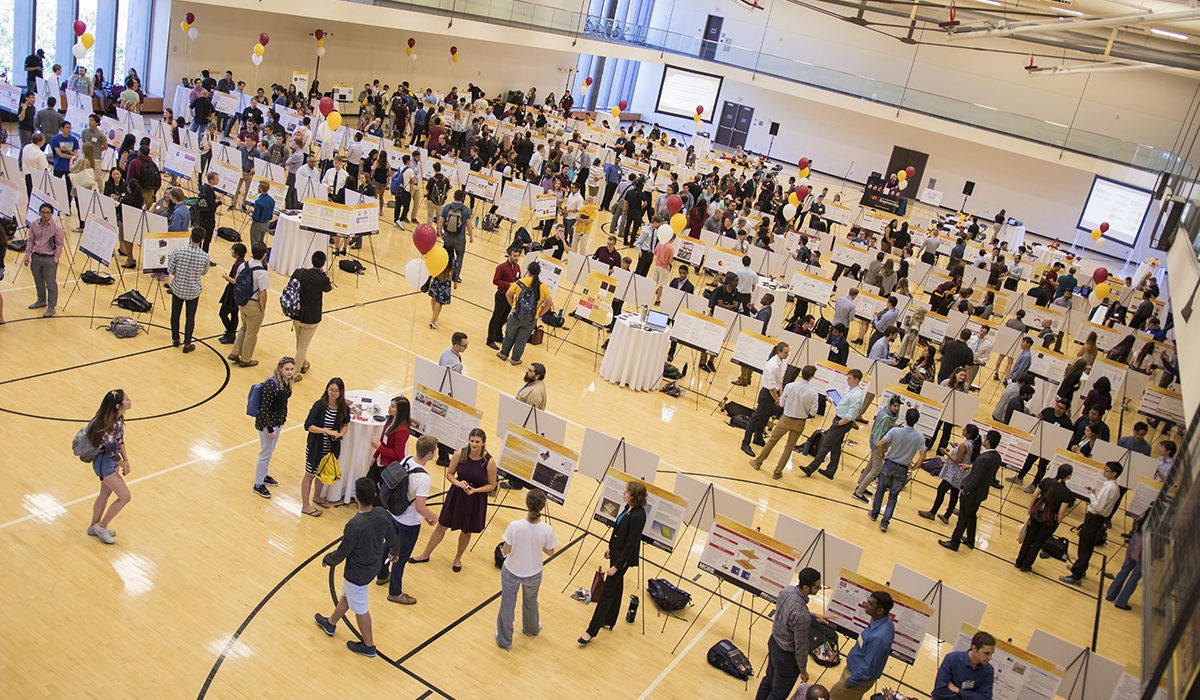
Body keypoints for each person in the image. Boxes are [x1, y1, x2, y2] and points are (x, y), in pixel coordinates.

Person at [315, 477, 400, 658]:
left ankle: (369, 646)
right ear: (374, 495)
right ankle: (330, 623)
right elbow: (392, 533)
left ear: (356, 497)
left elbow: (343, 551)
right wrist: (394, 550)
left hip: (357, 573)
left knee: (360, 608)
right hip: (373, 565)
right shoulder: (382, 513)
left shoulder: (354, 525)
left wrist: (328, 559)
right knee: (347, 596)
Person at [411, 428, 498, 570]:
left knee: (466, 530)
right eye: (472, 441)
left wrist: (475, 490)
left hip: (474, 499)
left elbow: (492, 485)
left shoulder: (489, 462)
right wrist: (458, 483)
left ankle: (457, 558)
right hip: (457, 495)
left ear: (483, 443)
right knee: (441, 525)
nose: (474, 444)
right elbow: (450, 474)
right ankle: (425, 554)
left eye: (477, 442)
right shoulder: (460, 454)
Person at [579, 481, 647, 645]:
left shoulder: (638, 516)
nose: (624, 494)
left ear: (634, 497)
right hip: (616, 553)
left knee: (607, 593)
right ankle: (609, 619)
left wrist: (617, 567)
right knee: (616, 587)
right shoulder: (627, 508)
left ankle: (591, 631)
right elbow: (618, 530)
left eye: (627, 492)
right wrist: (610, 548)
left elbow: (631, 544)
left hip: (622, 560)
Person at [378, 435, 439, 605]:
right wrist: (433, 516)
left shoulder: (407, 460)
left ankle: (382, 574)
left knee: (388, 544)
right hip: (409, 522)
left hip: (394, 513)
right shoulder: (424, 478)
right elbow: (420, 507)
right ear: (429, 454)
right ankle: (395, 593)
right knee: (401, 558)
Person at [496, 488, 557, 650]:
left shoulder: (514, 526)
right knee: (531, 602)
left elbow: (506, 550)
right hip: (534, 573)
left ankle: (504, 640)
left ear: (527, 504)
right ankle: (531, 629)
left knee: (507, 604)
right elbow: (550, 552)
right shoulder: (546, 529)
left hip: (512, 571)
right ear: (542, 507)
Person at [757, 567, 826, 700]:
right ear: (806, 587)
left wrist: (813, 615)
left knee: (768, 679)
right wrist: (803, 671)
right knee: (778, 693)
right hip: (786, 657)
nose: (820, 589)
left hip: (774, 643)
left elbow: (787, 614)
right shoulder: (801, 616)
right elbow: (801, 648)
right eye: (817, 587)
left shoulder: (786, 591)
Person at [750, 365, 820, 479]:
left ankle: (758, 462)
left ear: (801, 373)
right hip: (800, 422)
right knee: (789, 447)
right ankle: (777, 472)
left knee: (772, 441)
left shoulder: (790, 386)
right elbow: (813, 412)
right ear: (812, 377)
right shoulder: (813, 393)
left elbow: (781, 404)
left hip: (786, 418)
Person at [85, 389, 134, 545]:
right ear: (118, 405)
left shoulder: (118, 419)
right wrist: (123, 465)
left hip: (111, 463)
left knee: (105, 493)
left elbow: (120, 441)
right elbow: (111, 451)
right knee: (125, 496)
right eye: (126, 399)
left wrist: (126, 460)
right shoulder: (109, 425)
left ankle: (94, 526)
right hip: (105, 465)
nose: (130, 400)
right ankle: (102, 526)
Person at [939, 430, 1002, 551]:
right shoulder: (996, 457)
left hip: (972, 494)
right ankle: (970, 540)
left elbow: (976, 479)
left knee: (962, 518)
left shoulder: (984, 458)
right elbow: (984, 470)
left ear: (987, 441)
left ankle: (954, 542)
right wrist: (972, 466)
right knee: (972, 516)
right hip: (981, 494)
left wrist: (965, 490)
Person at [1061, 462, 1122, 585]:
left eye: (1107, 470)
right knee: (1085, 544)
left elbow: (1099, 507)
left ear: (1114, 473)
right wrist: (1094, 494)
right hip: (1095, 518)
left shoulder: (1111, 488)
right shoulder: (1112, 487)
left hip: (1095, 518)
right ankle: (1080, 568)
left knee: (1085, 546)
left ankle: (1077, 575)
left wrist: (1091, 496)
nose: (1104, 472)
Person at [869, 409, 927, 532]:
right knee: (893, 497)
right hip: (903, 469)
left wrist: (881, 456)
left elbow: (879, 444)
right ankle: (884, 523)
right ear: (916, 421)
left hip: (889, 465)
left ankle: (874, 514)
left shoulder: (895, 431)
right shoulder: (919, 437)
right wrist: (915, 466)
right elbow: (923, 455)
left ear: (905, 418)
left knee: (880, 491)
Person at [829, 591, 895, 700]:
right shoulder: (884, 621)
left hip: (856, 679)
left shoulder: (879, 638)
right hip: (854, 673)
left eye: (870, 603)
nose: (866, 604)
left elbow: (868, 668)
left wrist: (849, 682)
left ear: (880, 610)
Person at [802, 369, 865, 479]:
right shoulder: (850, 389)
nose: (847, 380)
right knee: (836, 446)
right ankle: (831, 471)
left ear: (856, 380)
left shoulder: (856, 396)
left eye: (850, 378)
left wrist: (839, 423)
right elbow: (843, 404)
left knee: (826, 444)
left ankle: (810, 468)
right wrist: (833, 400)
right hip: (839, 419)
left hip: (842, 422)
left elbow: (851, 415)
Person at [1014, 463, 1076, 572]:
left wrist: (1030, 509)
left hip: (1037, 514)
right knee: (1037, 543)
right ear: (1069, 476)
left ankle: (1019, 562)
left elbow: (1035, 495)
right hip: (1050, 520)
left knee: (1028, 539)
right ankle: (1026, 565)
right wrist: (1059, 521)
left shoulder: (1046, 481)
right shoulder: (1067, 493)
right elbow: (1061, 511)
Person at [301, 377, 349, 517]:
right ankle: (305, 505)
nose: (333, 393)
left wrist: (340, 434)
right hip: (316, 446)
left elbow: (346, 424)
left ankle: (317, 497)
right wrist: (327, 431)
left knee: (322, 474)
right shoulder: (319, 406)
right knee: (310, 474)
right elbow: (308, 426)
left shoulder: (343, 408)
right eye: (331, 390)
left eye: (336, 391)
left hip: (330, 448)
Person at [918, 423, 981, 524]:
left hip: (954, 474)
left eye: (965, 430)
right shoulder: (974, 444)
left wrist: (946, 453)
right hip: (963, 475)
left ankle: (932, 512)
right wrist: (956, 447)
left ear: (968, 434)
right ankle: (947, 516)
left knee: (941, 490)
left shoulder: (964, 445)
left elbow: (958, 461)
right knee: (954, 494)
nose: (963, 430)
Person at [251, 357, 295, 498]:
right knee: (265, 453)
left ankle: (263, 475)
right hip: (267, 424)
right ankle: (258, 483)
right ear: (280, 369)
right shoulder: (271, 384)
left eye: (291, 369)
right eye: (287, 369)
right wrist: (270, 430)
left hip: (278, 421)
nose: (289, 372)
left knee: (269, 451)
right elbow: (264, 409)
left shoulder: (286, 383)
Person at [497, 261, 552, 365]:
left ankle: (503, 354)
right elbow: (549, 303)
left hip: (516, 315)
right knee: (521, 340)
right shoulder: (543, 287)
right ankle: (515, 359)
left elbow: (508, 294)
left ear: (528, 270)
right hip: (531, 318)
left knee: (509, 335)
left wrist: (513, 305)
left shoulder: (520, 282)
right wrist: (540, 313)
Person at [164, 228, 211, 352]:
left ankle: (175, 339)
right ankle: (187, 344)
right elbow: (204, 272)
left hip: (178, 288)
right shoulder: (205, 256)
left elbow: (171, 269)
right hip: (193, 290)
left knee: (175, 314)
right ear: (202, 240)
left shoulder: (179, 251)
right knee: (190, 318)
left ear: (190, 237)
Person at [741, 342, 789, 456]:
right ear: (779, 351)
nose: (787, 354)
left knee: (765, 418)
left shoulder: (780, 362)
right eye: (786, 352)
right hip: (767, 395)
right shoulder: (773, 365)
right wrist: (777, 399)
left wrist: (781, 395)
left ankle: (758, 437)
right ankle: (745, 442)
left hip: (774, 394)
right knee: (756, 419)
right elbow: (771, 387)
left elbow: (780, 381)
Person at [290, 251, 332, 382]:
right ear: (323, 264)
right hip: (311, 317)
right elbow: (328, 288)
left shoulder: (300, 272)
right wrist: (323, 273)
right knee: (303, 345)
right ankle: (294, 373)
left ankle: (302, 363)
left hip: (297, 313)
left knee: (299, 341)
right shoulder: (322, 279)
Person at [853, 396, 902, 503]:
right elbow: (880, 437)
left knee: (871, 464)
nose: (896, 408)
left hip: (875, 442)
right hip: (878, 445)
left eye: (898, 406)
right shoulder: (886, 418)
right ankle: (858, 492)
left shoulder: (885, 412)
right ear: (890, 405)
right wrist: (881, 454)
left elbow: (884, 428)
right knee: (876, 470)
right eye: (894, 406)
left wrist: (894, 426)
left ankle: (861, 484)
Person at [228, 242, 270, 366]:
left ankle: (235, 352)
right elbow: (263, 293)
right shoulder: (262, 272)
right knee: (251, 333)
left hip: (242, 301)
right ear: (263, 255)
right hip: (253, 303)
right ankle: (246, 359)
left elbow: (237, 281)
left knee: (244, 327)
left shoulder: (242, 265)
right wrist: (262, 309)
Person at [24, 202, 65, 318]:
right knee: (38, 281)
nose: (45, 215)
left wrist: (55, 259)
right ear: (39, 212)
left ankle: (51, 307)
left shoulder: (56, 228)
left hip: (49, 258)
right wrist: (27, 254)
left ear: (51, 214)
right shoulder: (34, 224)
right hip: (36, 256)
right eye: (43, 212)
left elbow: (59, 244)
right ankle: (41, 300)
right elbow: (30, 240)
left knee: (51, 283)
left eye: (47, 213)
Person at [932, 630, 995, 700]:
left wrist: (958, 691)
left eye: (991, 654)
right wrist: (970, 696)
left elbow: (986, 698)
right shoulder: (951, 659)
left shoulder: (988, 670)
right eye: (986, 653)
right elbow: (939, 691)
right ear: (974, 648)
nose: (990, 658)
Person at [1106, 511, 1146, 610]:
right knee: (1134, 578)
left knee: (1123, 571)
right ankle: (1121, 602)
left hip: (1133, 549)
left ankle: (1110, 595)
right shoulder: (1159, 526)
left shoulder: (1142, 517)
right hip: (1144, 555)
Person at [488, 246, 522, 350]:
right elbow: (495, 281)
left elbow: (518, 278)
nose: (516, 258)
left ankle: (498, 336)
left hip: (511, 297)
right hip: (501, 295)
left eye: (518, 256)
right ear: (509, 255)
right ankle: (490, 339)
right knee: (496, 317)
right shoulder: (501, 267)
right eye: (514, 256)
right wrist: (509, 284)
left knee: (504, 317)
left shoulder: (517, 267)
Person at [438, 189, 474, 283]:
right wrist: (471, 236)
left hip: (448, 236)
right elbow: (469, 224)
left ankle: (444, 274)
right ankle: (456, 276)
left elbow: (441, 220)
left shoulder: (447, 207)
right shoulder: (466, 210)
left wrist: (440, 232)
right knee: (460, 256)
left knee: (446, 255)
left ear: (453, 196)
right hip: (460, 238)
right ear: (463, 198)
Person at [217, 243, 247, 345]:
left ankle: (230, 333)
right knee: (234, 313)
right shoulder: (243, 263)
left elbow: (235, 280)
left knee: (223, 313)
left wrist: (226, 277)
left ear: (237, 253)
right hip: (239, 292)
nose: (231, 251)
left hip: (232, 291)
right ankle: (231, 333)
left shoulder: (237, 265)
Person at [249, 180, 274, 250]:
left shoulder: (258, 202)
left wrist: (251, 214)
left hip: (257, 225)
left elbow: (255, 217)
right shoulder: (271, 200)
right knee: (261, 244)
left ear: (260, 189)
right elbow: (270, 215)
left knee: (255, 244)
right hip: (266, 224)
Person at [427, 261, 453, 330]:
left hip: (437, 278)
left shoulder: (440, 255)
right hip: (445, 282)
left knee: (433, 297)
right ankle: (433, 321)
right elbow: (454, 271)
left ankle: (434, 316)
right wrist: (455, 282)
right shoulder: (451, 260)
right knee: (439, 302)